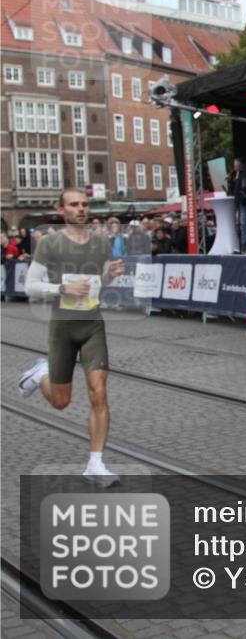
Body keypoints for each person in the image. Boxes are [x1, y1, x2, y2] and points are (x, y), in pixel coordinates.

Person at [19, 188, 126, 486]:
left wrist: (111, 275)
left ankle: (95, 463)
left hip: (92, 324)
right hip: (63, 327)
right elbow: (30, 286)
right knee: (60, 401)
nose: (81, 209)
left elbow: (99, 280)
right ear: (61, 209)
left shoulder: (100, 241)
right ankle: (41, 373)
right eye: (74, 205)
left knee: (99, 390)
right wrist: (62, 289)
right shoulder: (49, 244)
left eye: (85, 204)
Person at [227, 158, 246, 252]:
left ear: (239, 165)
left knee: (243, 225)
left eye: (235, 165)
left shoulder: (244, 175)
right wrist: (230, 181)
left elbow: (244, 188)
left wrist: (241, 200)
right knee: (243, 225)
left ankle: (244, 246)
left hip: (244, 204)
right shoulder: (238, 175)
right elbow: (235, 188)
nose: (234, 167)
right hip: (240, 204)